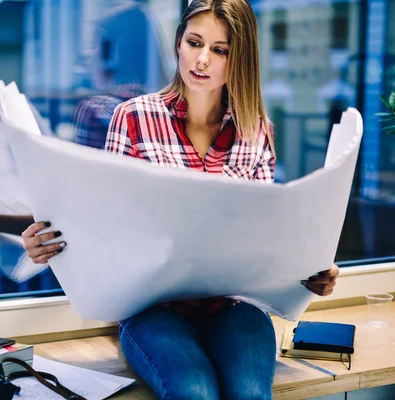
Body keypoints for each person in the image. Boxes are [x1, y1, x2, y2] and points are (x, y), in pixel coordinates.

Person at [20, 1, 339, 399]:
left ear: (239, 58)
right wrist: (46, 242)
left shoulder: (257, 131)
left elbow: (269, 237)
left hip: (233, 308)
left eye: (220, 50)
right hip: (154, 310)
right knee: (194, 390)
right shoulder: (133, 118)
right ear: (178, 43)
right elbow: (102, 222)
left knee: (249, 392)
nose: (202, 59)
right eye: (194, 42)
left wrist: (310, 269)